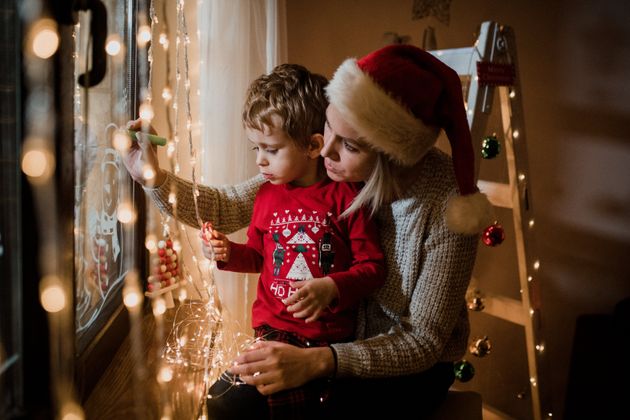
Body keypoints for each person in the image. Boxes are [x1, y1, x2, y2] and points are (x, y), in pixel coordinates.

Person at [123, 45, 493, 418]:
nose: (324, 150)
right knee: (228, 402)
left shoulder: (447, 204)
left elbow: (422, 342)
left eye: (348, 145)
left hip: (405, 367)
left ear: (392, 154)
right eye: (328, 126)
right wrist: (152, 177)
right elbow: (226, 206)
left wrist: (318, 361)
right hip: (327, 337)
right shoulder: (323, 168)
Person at [197, 63, 385, 418]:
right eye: (255, 149)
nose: (260, 161)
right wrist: (227, 252)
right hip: (271, 333)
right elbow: (257, 256)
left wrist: (332, 286)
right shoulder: (266, 197)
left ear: (313, 145)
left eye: (270, 149)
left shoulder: (347, 196)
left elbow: (373, 267)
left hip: (325, 342)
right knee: (222, 402)